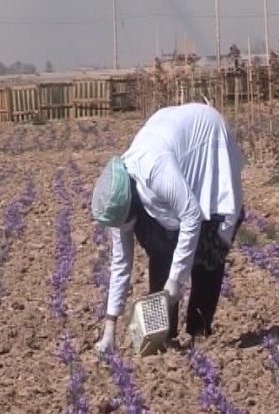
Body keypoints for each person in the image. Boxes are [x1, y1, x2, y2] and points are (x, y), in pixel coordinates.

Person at [90, 102, 245, 354]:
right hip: (177, 150)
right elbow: (121, 262)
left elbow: (192, 215)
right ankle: (164, 335)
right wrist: (110, 327)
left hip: (209, 140)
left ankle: (199, 332)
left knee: (209, 250)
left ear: (133, 203)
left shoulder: (154, 169)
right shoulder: (118, 196)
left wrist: (175, 282)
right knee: (161, 248)